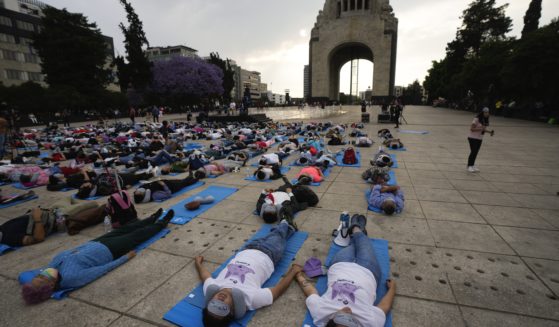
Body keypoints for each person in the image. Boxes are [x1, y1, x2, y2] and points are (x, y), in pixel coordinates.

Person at [20, 209, 175, 304]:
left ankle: (151, 218)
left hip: (94, 243)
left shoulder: (52, 269)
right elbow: (101, 270)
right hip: (109, 251)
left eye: (38, 275)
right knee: (138, 235)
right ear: (51, 286)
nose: (41, 273)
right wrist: (125, 258)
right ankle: (162, 223)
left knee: (126, 228)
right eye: (41, 278)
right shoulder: (71, 278)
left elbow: (24, 275)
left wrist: (35, 280)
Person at [195, 219, 302, 326]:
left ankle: (289, 229)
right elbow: (276, 292)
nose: (220, 299)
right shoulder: (251, 299)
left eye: (214, 304)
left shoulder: (213, 288)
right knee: (278, 234)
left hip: (247, 249)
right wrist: (293, 272)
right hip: (270, 253)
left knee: (275, 235)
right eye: (222, 307)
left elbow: (205, 276)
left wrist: (198, 263)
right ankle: (285, 221)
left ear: (209, 302)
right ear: (232, 312)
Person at [296, 214, 396, 327]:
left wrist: (299, 276)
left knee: (357, 243)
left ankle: (357, 230)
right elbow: (384, 307)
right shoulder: (371, 323)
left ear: (330, 320)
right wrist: (392, 288)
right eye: (352, 320)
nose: (348, 310)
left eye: (342, 316)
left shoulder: (320, 313)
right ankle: (356, 228)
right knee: (362, 242)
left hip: (340, 264)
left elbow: (310, 292)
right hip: (368, 270)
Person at [0, 203, 104, 247]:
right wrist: (37, 218)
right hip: (59, 218)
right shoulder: (8, 238)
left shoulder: (2, 228)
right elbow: (38, 238)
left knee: (67, 199)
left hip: (50, 211)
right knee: (93, 204)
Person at [133, 175, 199, 203]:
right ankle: (196, 179)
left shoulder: (144, 189)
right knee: (185, 183)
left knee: (181, 180)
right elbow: (168, 194)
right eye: (138, 192)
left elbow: (141, 186)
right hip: (173, 187)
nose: (138, 190)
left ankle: (190, 176)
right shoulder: (154, 195)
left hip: (168, 182)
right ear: (142, 195)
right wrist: (163, 185)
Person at [467, 107, 494, 173]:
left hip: (479, 138)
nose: (487, 113)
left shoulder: (485, 120)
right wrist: (480, 129)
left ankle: (472, 165)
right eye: (485, 112)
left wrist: (490, 132)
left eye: (487, 112)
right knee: (473, 152)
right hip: (472, 138)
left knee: (476, 152)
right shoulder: (476, 119)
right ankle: (469, 166)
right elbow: (472, 129)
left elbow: (483, 129)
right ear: (482, 112)